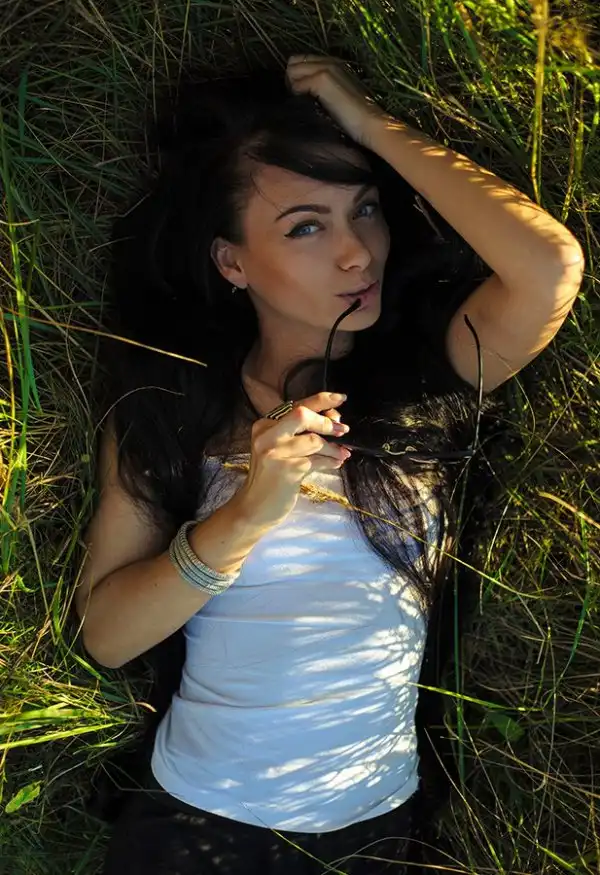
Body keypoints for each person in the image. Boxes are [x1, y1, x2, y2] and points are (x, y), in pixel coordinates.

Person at [75, 54, 584, 875]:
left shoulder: (429, 379)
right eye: (306, 227)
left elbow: (550, 267)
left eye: (366, 210)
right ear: (231, 261)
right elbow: (106, 634)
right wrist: (243, 516)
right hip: (198, 824)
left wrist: (369, 123)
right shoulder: (174, 405)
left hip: (375, 826)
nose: (358, 254)